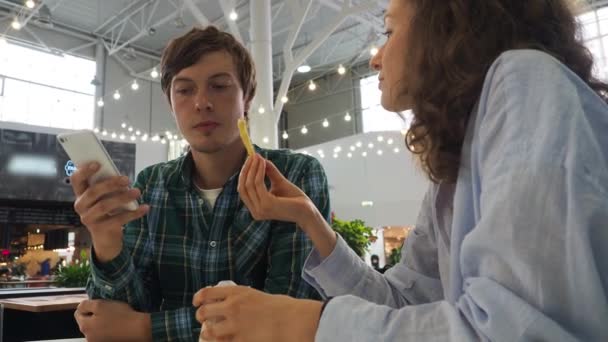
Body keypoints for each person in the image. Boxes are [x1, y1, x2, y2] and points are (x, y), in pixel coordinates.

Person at [192, 0, 608, 341]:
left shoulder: (525, 81)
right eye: (184, 88)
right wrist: (311, 220)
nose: (375, 59)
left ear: (447, 25)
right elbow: (403, 302)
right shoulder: (455, 167)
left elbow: (522, 329)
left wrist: (300, 323)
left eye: (388, 33)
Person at [70, 26, 330, 341]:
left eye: (220, 86)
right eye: (184, 90)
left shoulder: (293, 176)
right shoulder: (152, 185)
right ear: (169, 102)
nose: (202, 102)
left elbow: (285, 314)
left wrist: (145, 328)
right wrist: (106, 238)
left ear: (246, 97)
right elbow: (116, 316)